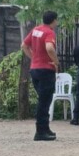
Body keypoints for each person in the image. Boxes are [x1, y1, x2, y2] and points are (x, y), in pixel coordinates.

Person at [22, 10, 61, 141]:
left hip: (35, 69)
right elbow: (50, 48)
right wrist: (56, 61)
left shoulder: (35, 30)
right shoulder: (49, 32)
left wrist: (34, 58)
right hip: (46, 70)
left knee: (43, 100)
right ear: (54, 20)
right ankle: (40, 131)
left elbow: (24, 45)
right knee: (44, 101)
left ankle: (45, 128)